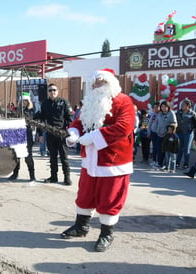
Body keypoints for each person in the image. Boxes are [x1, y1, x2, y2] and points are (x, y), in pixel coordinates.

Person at [63, 68, 135, 252]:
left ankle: (106, 234)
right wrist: (74, 132)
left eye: (100, 82)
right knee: (85, 194)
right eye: (94, 82)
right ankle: (81, 226)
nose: (96, 85)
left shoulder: (123, 101)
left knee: (110, 198)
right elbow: (80, 121)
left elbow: (123, 128)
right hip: (91, 160)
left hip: (114, 161)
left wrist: (94, 137)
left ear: (110, 83)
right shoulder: (90, 102)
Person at [36, 83, 73, 185]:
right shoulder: (45, 104)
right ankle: (53, 177)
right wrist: (39, 134)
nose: (52, 92)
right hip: (50, 134)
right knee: (52, 157)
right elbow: (40, 119)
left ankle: (67, 177)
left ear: (57, 91)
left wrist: (71, 133)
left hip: (62, 134)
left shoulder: (64, 102)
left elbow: (70, 119)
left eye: (54, 90)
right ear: (48, 92)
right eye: (50, 90)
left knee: (64, 157)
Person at [8, 94, 36, 183]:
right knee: (16, 156)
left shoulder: (31, 110)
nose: (24, 102)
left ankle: (32, 176)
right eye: (22, 101)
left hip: (27, 134)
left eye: (26, 101)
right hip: (17, 135)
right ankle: (15, 174)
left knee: (28, 156)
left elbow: (29, 120)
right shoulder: (16, 110)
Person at [176, 99, 196, 169]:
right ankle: (177, 163)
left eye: (184, 105)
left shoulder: (192, 113)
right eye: (181, 104)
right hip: (179, 132)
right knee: (180, 148)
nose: (182, 106)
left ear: (188, 106)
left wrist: (191, 130)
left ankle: (186, 163)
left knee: (186, 149)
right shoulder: (178, 113)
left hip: (188, 133)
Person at [154, 101, 177, 169]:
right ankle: (159, 163)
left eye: (165, 106)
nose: (164, 108)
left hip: (167, 135)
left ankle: (166, 165)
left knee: (165, 150)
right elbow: (157, 122)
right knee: (159, 149)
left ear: (168, 107)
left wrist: (170, 131)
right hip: (159, 133)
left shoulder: (171, 113)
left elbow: (175, 123)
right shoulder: (160, 114)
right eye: (162, 106)